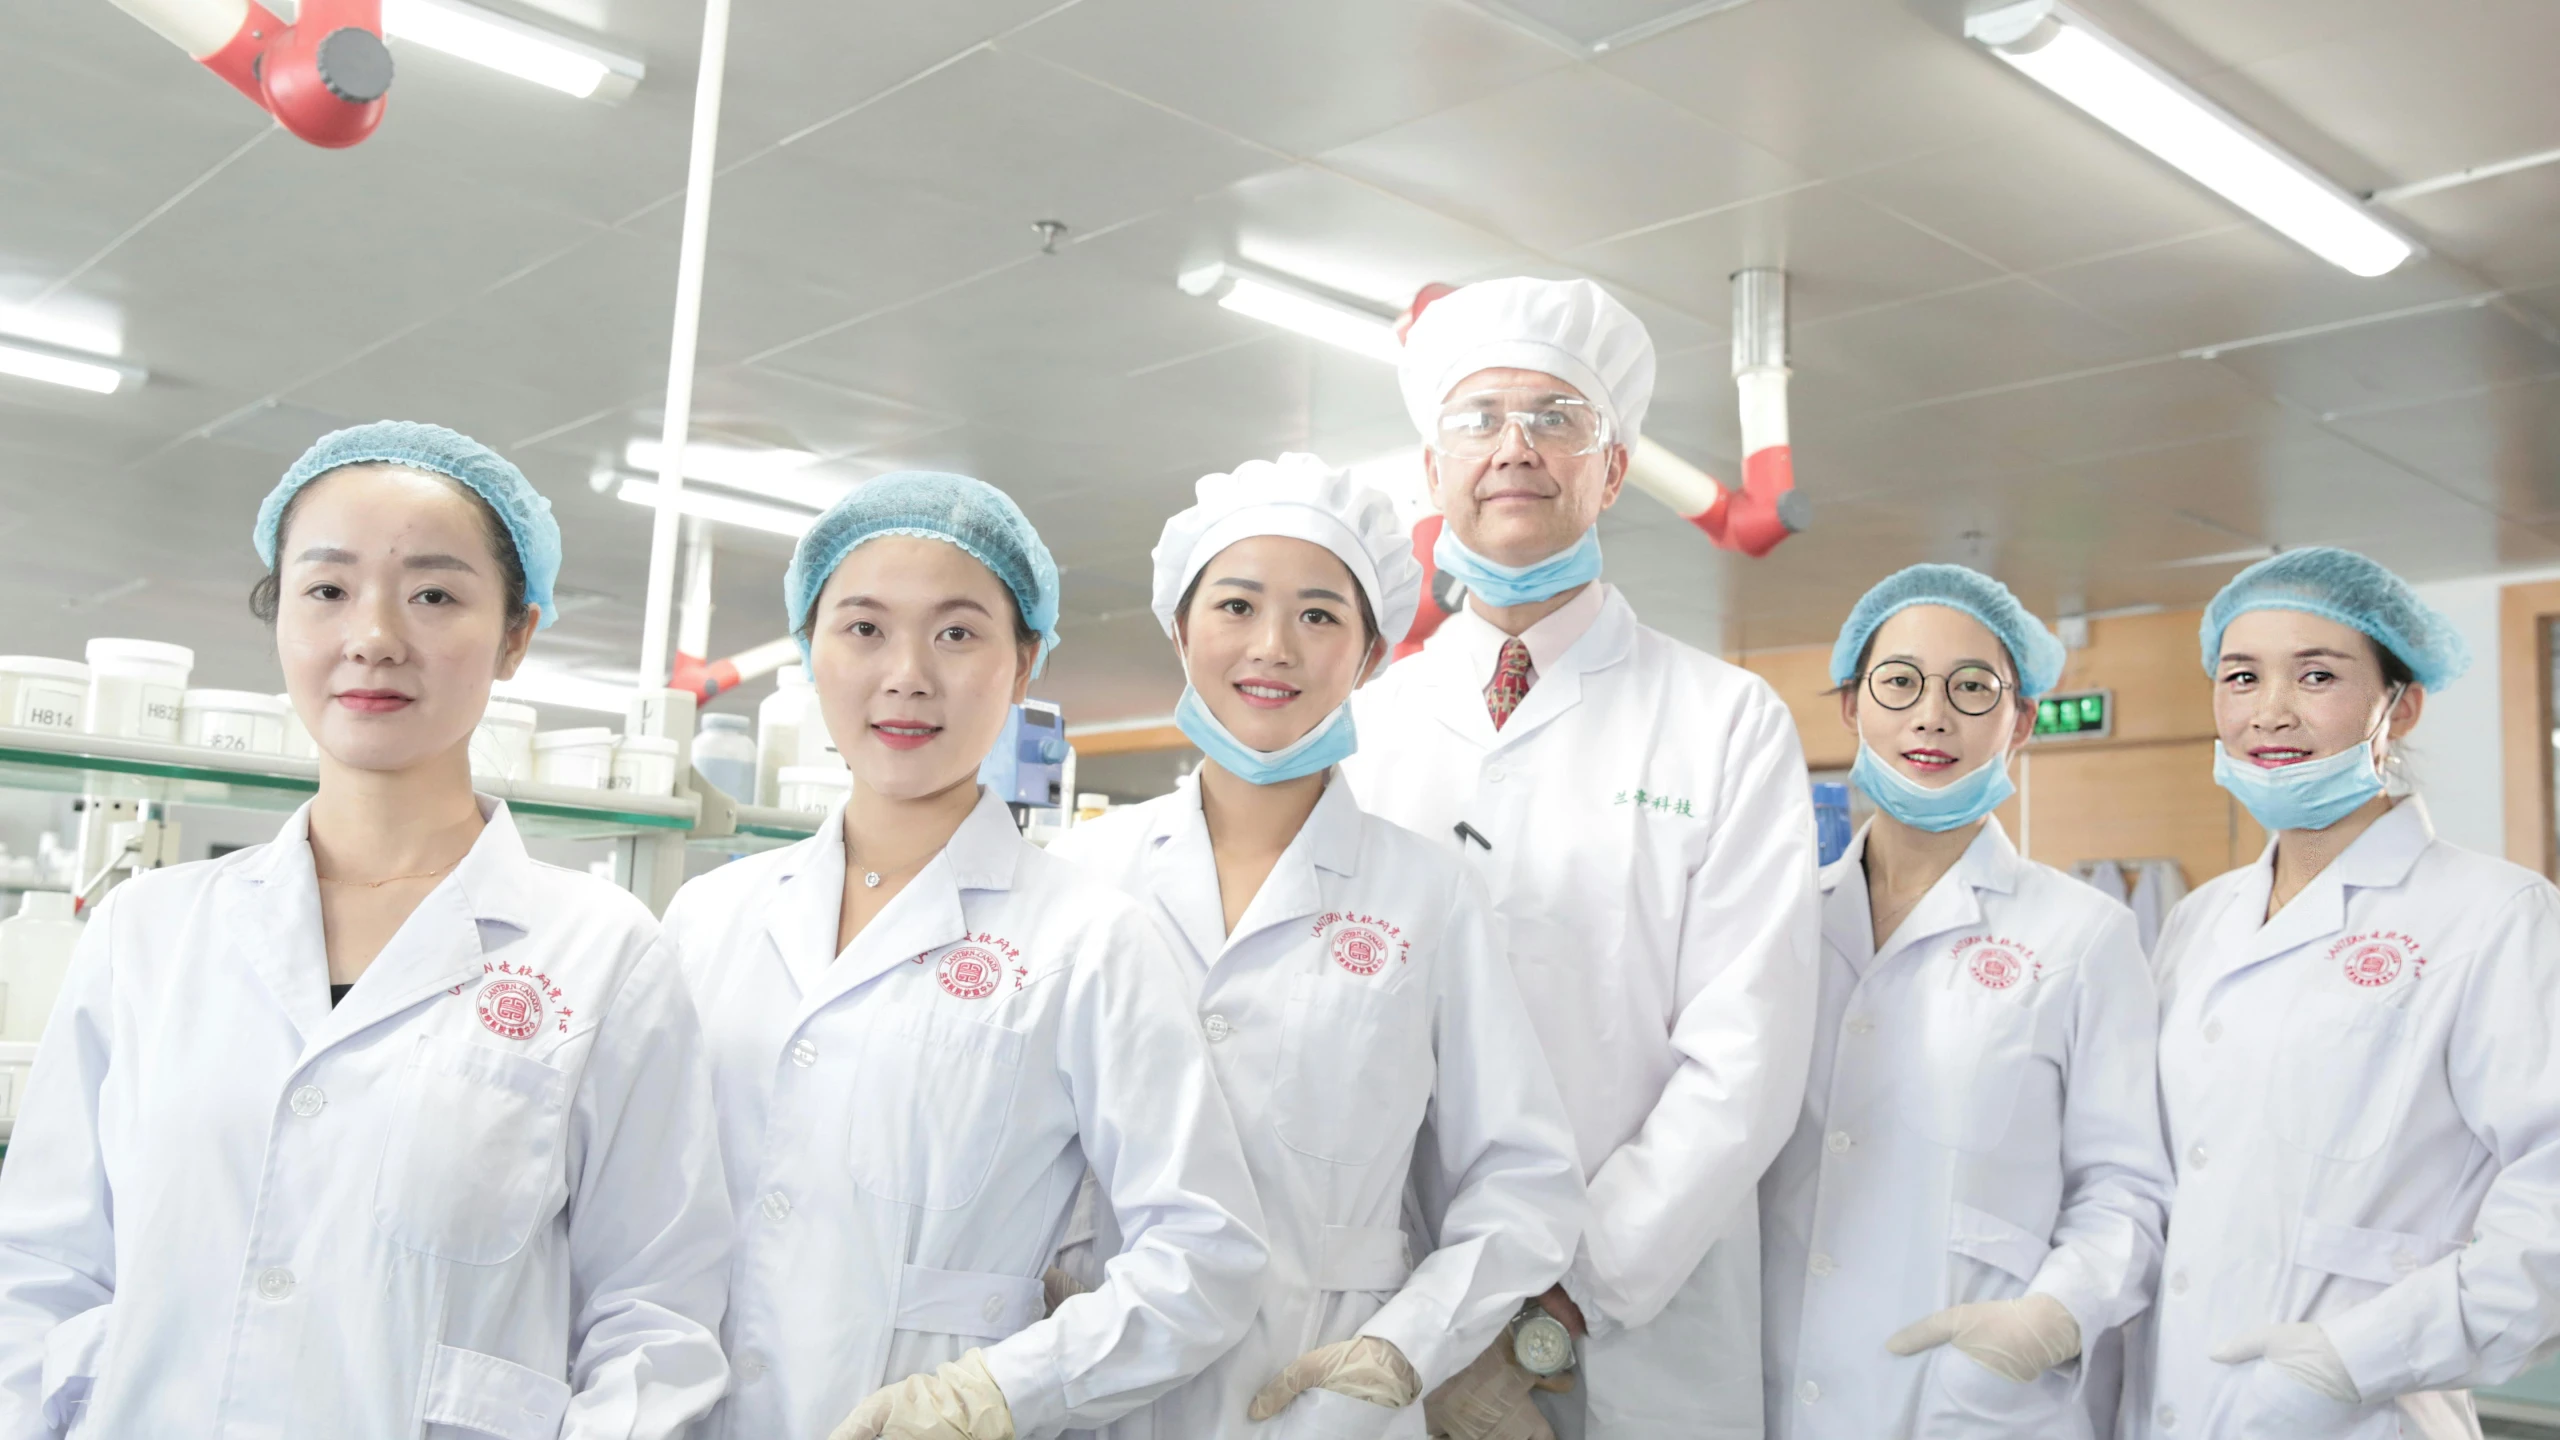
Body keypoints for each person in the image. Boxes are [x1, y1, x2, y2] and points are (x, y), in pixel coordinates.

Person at [0, 421, 734, 1435]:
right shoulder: (146, 935)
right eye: (327, 589)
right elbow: (39, 1271)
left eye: (434, 593)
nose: (374, 635)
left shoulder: (601, 954)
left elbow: (654, 1321)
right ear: (281, 619)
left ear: (516, 634)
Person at [659, 472, 1269, 1440]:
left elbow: (1204, 1256)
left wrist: (998, 1393)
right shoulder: (708, 919)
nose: (906, 674)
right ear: (811, 650)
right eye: (862, 629)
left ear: (1024, 663)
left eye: (956, 633)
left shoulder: (1087, 941)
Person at [1340, 275, 1821, 1440]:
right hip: (1388, 1316)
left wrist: (1560, 1302)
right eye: (1480, 419)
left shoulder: (1726, 718)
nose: (1516, 447)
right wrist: (1429, 1315)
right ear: (1430, 471)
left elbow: (1743, 1059)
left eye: (1559, 418)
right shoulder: (1362, 725)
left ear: (1611, 471)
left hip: (1638, 1323)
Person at [1047, 454, 1586, 1439]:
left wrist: (1410, 1345)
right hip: (1095, 1379)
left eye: (1319, 615)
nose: (1273, 648)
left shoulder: (1428, 894)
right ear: (1179, 628)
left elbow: (1522, 1179)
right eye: (1237, 606)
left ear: (1370, 655)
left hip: (1326, 1390)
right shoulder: (1081, 876)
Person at [2126, 547, 2560, 1440]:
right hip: (2168, 1402)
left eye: (2317, 674)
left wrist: (2350, 1360)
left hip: (2365, 1409)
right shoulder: (2200, 921)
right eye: (2241, 676)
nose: (2270, 710)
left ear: (2398, 706)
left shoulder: (2494, 915)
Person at [1760, 564, 2173, 1438]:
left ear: (2019, 720)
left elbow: (2128, 1188)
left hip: (1974, 1399)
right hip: (1776, 1387)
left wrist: (2054, 1317)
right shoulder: (1775, 920)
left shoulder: (2083, 936)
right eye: (1900, 682)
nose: (1932, 715)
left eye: (1973, 688)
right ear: (1851, 706)